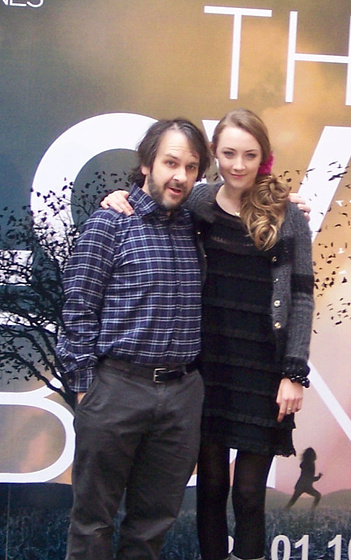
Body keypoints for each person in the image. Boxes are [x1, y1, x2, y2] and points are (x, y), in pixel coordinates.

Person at [102, 108, 314, 560]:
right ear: (214, 156)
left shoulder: (288, 215)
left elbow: (301, 297)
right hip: (208, 369)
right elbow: (153, 202)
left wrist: (294, 372)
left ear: (265, 158)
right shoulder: (198, 203)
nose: (239, 165)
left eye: (250, 155)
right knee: (212, 488)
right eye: (229, 153)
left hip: (263, 373)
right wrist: (115, 196)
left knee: (250, 494)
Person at [56, 117, 212, 560]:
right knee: (92, 523)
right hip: (116, 389)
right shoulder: (110, 223)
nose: (179, 176)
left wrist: (288, 203)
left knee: (151, 528)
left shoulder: (195, 223)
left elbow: (245, 200)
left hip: (182, 396)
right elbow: (78, 307)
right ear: (147, 163)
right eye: (170, 162)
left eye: (191, 166)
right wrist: (86, 388)